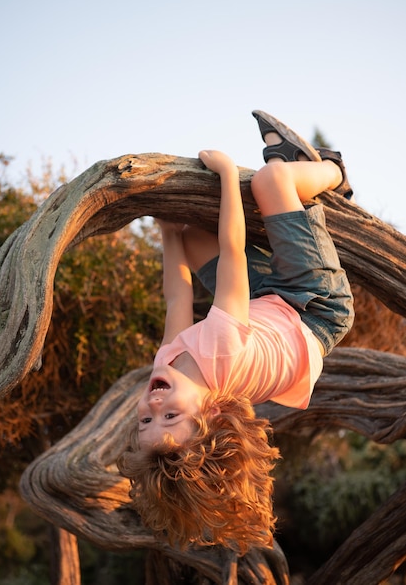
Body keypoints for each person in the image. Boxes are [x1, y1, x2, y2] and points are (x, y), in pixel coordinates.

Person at [117, 110, 354, 555]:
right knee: (269, 180)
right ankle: (332, 171)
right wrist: (227, 174)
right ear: (211, 414)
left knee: (190, 239)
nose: (154, 403)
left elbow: (177, 298)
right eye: (170, 416)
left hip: (267, 305)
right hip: (315, 306)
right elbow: (230, 252)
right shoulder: (220, 354)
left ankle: (287, 209)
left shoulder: (168, 365)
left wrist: (168, 233)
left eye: (145, 420)